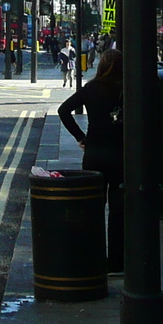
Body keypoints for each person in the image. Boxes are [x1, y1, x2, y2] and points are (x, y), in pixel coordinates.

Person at [58, 49, 125, 273]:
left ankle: (94, 258)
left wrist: (80, 138)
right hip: (119, 154)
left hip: (94, 153)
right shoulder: (126, 89)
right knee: (118, 210)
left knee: (94, 208)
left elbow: (63, 110)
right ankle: (116, 261)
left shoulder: (92, 88)